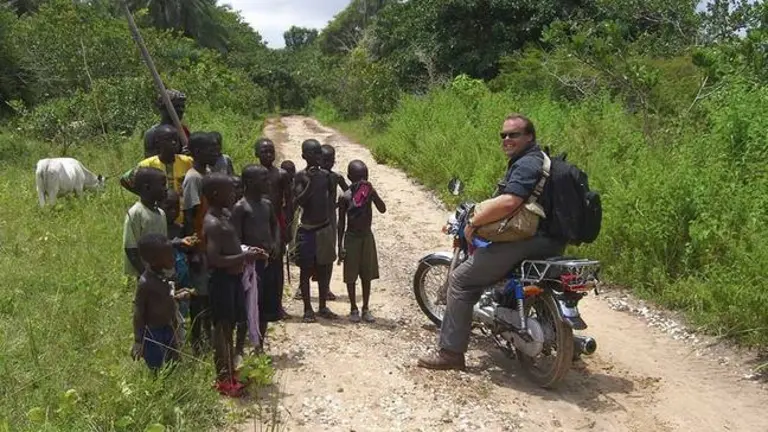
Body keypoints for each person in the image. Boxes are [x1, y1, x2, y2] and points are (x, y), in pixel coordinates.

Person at [417, 114, 566, 371]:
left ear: (529, 137)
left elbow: (510, 202)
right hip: (551, 240)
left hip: (527, 240)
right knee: (508, 279)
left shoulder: (527, 163)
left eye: (513, 134)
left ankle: (451, 353)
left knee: (462, 280)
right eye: (504, 135)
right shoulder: (541, 160)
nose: (507, 139)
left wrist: (473, 222)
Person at [203, 173, 266, 396]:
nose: (234, 194)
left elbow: (232, 247)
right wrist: (244, 258)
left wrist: (247, 251)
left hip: (232, 280)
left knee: (229, 326)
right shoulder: (212, 223)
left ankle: (230, 372)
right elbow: (214, 260)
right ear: (215, 194)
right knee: (222, 330)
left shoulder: (225, 215)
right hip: (221, 282)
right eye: (230, 191)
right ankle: (223, 379)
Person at [231, 165, 280, 357]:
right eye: (264, 180)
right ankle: (239, 348)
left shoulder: (267, 204)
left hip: (267, 261)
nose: (268, 183)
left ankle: (259, 344)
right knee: (248, 305)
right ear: (250, 183)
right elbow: (236, 238)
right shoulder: (241, 207)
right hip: (250, 265)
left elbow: (275, 224)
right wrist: (247, 254)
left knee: (264, 305)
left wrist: (276, 242)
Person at [182, 132, 219, 354]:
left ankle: (207, 337)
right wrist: (194, 249)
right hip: (201, 245)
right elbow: (190, 215)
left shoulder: (208, 173)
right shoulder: (193, 178)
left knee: (208, 295)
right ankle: (197, 342)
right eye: (210, 149)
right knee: (199, 297)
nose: (215, 152)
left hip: (210, 244)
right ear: (196, 153)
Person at [293, 139, 338, 322]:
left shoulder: (327, 176)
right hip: (308, 229)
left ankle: (322, 306)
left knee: (324, 268)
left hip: (324, 228)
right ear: (304, 156)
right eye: (313, 153)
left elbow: (331, 201)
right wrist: (311, 183)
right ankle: (307, 308)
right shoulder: (301, 176)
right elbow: (300, 201)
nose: (318, 157)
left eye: (319, 153)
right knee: (306, 270)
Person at [337, 160, 386, 323]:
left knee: (367, 274)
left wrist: (373, 192)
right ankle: (353, 307)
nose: (362, 181)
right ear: (350, 177)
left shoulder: (367, 193)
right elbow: (341, 223)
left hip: (366, 236)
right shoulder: (346, 197)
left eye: (365, 177)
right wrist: (340, 245)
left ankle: (366, 307)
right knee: (351, 276)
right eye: (359, 178)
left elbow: (382, 208)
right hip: (351, 238)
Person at [120, 124, 193, 226]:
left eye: (176, 140)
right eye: (169, 140)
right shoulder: (147, 164)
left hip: (182, 217)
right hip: (156, 218)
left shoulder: (187, 162)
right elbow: (124, 179)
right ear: (158, 143)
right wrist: (145, 194)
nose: (173, 143)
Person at [131, 233, 181, 372]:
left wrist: (178, 296)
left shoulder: (164, 276)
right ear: (154, 260)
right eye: (168, 255)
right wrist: (138, 340)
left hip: (169, 328)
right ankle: (158, 390)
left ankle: (173, 388)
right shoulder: (145, 283)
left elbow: (167, 298)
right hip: (153, 333)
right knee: (156, 368)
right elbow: (139, 311)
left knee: (174, 363)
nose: (173, 257)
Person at [255, 138, 292, 317]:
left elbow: (289, 201)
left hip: (276, 223)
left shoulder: (281, 174)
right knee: (258, 266)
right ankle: (259, 305)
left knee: (276, 266)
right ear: (256, 154)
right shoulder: (252, 174)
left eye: (271, 151)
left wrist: (288, 228)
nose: (268, 154)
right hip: (257, 224)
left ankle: (277, 305)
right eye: (264, 151)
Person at [161, 189, 199, 346]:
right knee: (171, 312)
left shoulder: (179, 228)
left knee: (183, 309)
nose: (173, 212)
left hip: (183, 274)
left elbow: (186, 252)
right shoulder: (160, 229)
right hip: (169, 277)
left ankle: (184, 341)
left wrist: (190, 243)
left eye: (176, 208)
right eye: (168, 208)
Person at [123, 167, 168, 279]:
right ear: (147, 187)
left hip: (160, 272)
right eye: (162, 185)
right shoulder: (136, 213)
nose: (166, 189)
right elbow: (130, 248)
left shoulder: (161, 213)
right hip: (144, 274)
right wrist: (145, 274)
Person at [320, 144, 349, 301]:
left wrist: (340, 204)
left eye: (331, 160)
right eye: (324, 160)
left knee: (330, 255)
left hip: (330, 218)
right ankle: (301, 289)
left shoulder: (336, 177)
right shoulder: (313, 176)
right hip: (314, 218)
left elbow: (350, 192)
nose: (328, 164)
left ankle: (326, 288)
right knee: (312, 255)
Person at [143, 89, 191, 156]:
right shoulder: (152, 134)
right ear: (163, 108)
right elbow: (149, 161)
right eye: (176, 106)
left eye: (182, 106)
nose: (181, 110)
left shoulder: (184, 131)